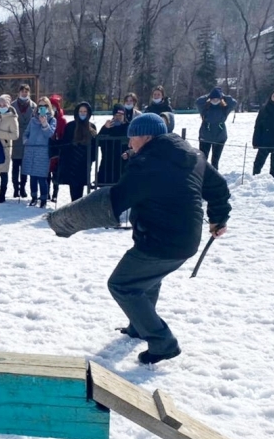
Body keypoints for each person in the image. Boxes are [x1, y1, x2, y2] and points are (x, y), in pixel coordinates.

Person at [47, 113, 232, 364]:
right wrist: (218, 219)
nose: (129, 143)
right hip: (184, 238)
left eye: (132, 137)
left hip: (161, 241)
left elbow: (117, 199)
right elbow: (218, 187)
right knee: (147, 279)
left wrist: (66, 220)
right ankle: (139, 325)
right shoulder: (192, 155)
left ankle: (163, 342)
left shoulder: (147, 163)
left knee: (122, 285)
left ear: (146, 136)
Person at [58, 102, 97, 202]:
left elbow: (94, 146)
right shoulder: (70, 126)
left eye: (85, 111)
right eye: (81, 111)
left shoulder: (92, 127)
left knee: (81, 188)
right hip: (72, 163)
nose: (83, 113)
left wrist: (92, 159)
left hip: (85, 163)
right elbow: (65, 144)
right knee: (73, 189)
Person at [22, 96, 57, 208]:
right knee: (32, 177)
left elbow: (50, 134)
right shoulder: (32, 120)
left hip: (43, 152)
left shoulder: (52, 119)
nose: (42, 108)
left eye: (45, 106)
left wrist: (44, 123)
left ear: (49, 107)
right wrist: (26, 141)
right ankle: (33, 197)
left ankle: (43, 198)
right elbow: (26, 133)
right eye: (40, 106)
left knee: (42, 177)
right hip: (31, 150)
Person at [196, 87, 237, 170]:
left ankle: (214, 176)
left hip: (220, 136)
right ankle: (203, 176)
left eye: (217, 98)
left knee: (215, 161)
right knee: (203, 159)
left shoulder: (224, 108)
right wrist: (208, 95)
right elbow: (198, 101)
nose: (215, 100)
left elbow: (234, 103)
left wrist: (223, 95)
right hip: (205, 135)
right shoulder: (205, 107)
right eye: (213, 98)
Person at [11, 84, 36, 198]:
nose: (24, 93)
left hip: (28, 140)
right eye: (22, 91)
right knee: (15, 166)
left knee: (25, 167)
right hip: (15, 139)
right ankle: (15, 188)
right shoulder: (12, 106)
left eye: (26, 91)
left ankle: (23, 188)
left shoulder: (34, 106)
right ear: (19, 93)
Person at [96, 104, 130, 187]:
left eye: (120, 115)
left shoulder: (129, 127)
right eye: (116, 115)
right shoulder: (108, 126)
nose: (118, 117)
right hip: (107, 166)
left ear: (124, 116)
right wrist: (105, 128)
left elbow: (135, 145)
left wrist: (129, 153)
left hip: (123, 165)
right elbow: (98, 142)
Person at [48, 94, 67, 202]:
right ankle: (47, 192)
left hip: (58, 148)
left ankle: (55, 193)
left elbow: (64, 135)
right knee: (46, 172)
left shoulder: (62, 120)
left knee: (56, 172)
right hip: (48, 146)